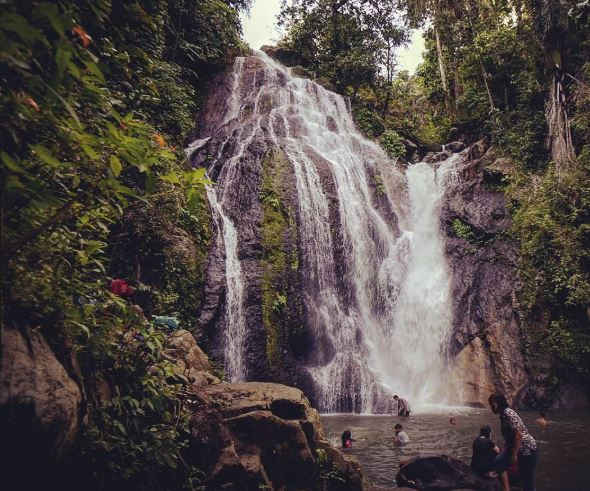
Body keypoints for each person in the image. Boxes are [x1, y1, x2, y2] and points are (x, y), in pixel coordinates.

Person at [489, 393, 538, 491]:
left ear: (499, 403)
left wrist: (514, 454)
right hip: (514, 446)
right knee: (499, 462)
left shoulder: (509, 413)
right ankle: (506, 489)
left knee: (526, 480)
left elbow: (518, 434)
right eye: (490, 405)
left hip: (527, 448)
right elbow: (510, 434)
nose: (491, 407)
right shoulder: (503, 415)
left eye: (492, 404)